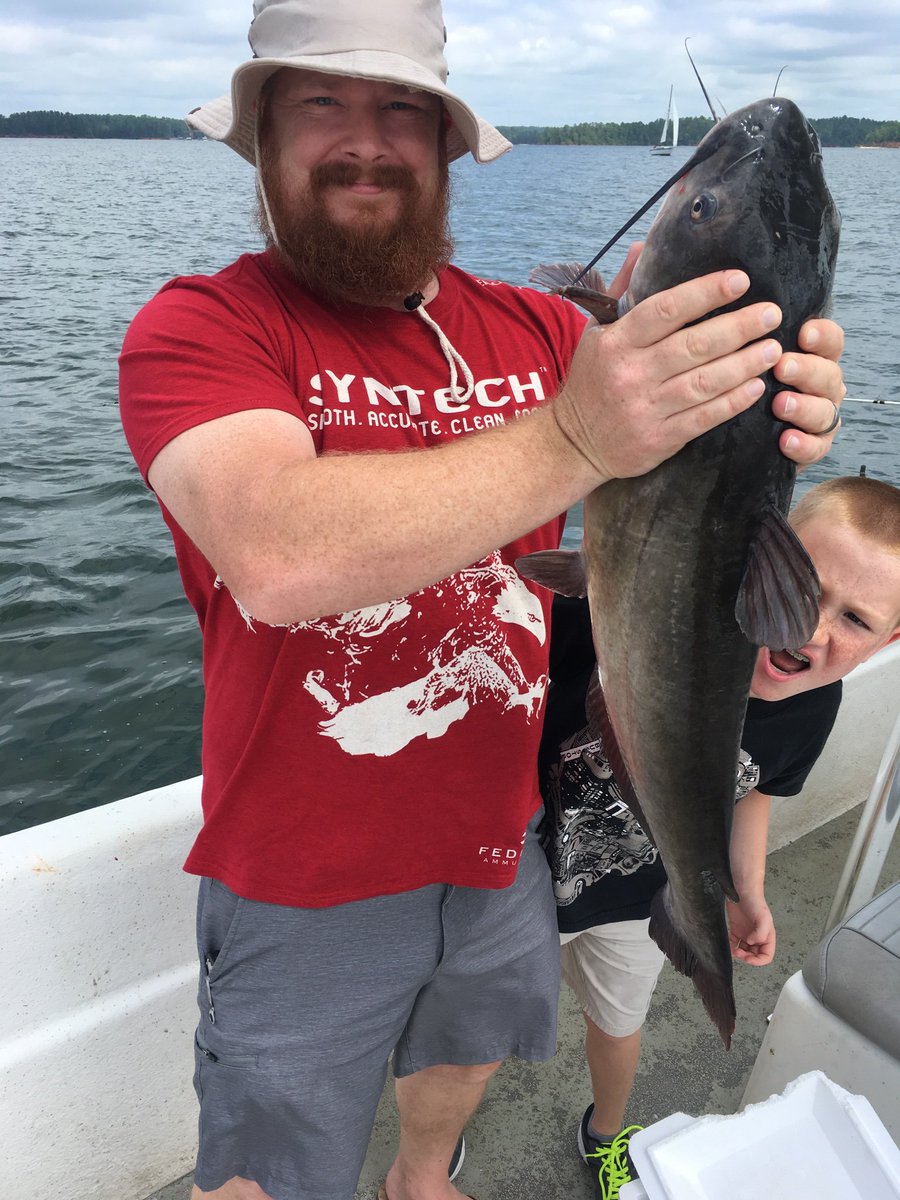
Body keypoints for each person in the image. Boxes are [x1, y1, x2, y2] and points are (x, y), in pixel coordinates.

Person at [117, 2, 847, 1198]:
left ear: (448, 142)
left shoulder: (541, 327)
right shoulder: (206, 326)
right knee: (267, 1156)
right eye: (322, 104)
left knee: (471, 1040)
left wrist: (785, 405)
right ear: (261, 139)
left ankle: (418, 1176)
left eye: (402, 107)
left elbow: (680, 448)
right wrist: (573, 432)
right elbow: (275, 554)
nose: (366, 139)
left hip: (504, 828)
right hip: (308, 865)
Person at [540, 475, 900, 1200]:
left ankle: (606, 1135)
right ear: (755, 557)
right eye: (800, 584)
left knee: (619, 1025)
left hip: (634, 904)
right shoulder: (626, 616)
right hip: (518, 880)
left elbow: (758, 790)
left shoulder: (811, 707)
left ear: (891, 641)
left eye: (855, 619)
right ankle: (435, 1141)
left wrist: (748, 890)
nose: (810, 628)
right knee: (477, 1032)